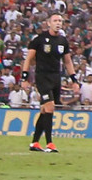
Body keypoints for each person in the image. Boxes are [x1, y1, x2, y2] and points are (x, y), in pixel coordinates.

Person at [22, 11, 71, 153]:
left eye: (60, 21)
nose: (58, 23)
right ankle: (50, 143)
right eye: (55, 20)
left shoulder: (63, 41)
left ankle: (35, 143)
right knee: (50, 108)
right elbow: (28, 59)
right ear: (48, 23)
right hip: (42, 77)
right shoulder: (39, 39)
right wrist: (25, 78)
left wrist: (73, 79)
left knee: (44, 111)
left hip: (56, 78)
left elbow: (67, 61)